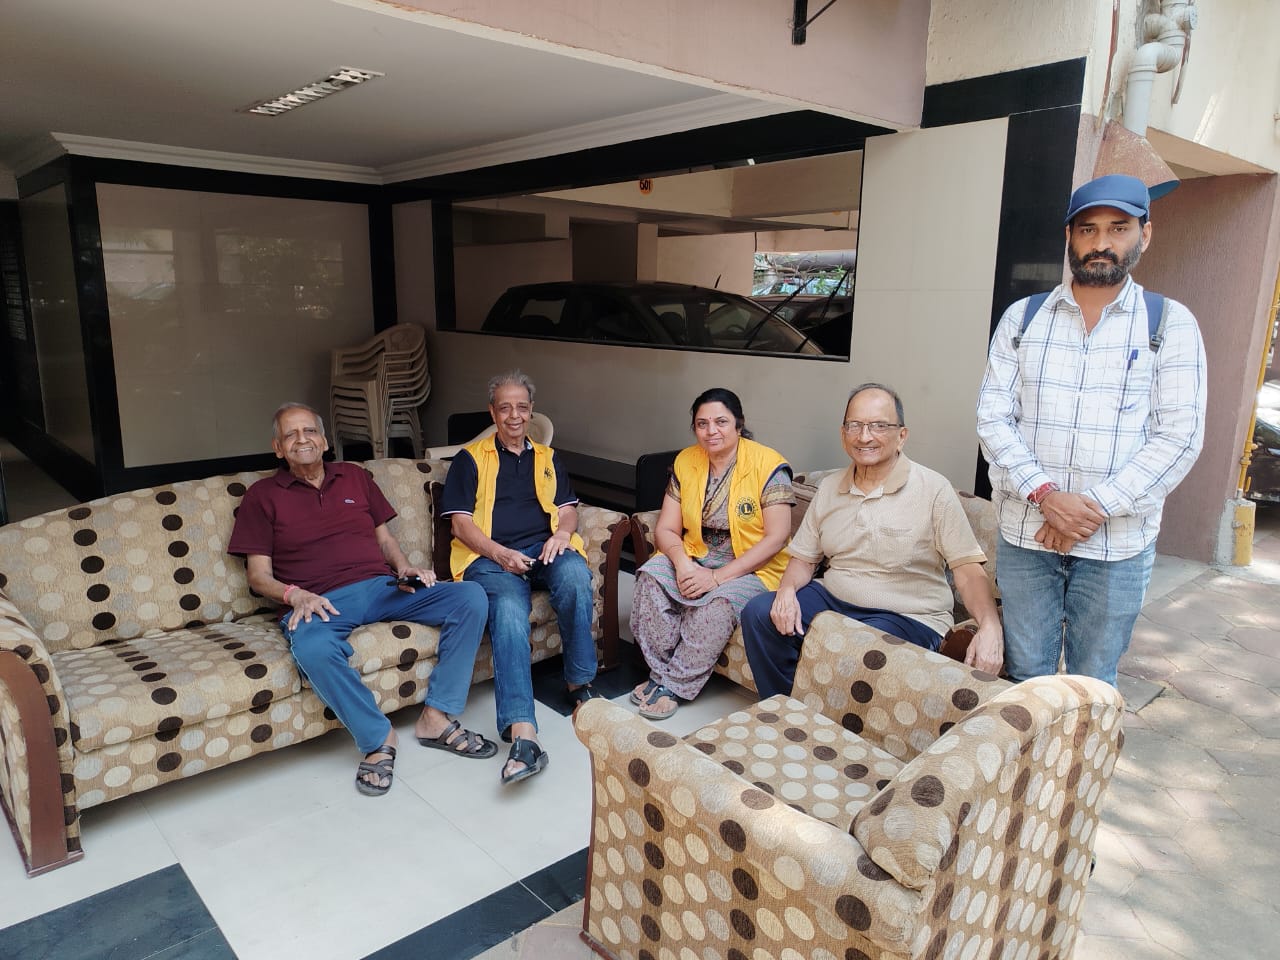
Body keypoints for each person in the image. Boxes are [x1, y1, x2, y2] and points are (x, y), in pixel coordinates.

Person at [976, 173, 1206, 684]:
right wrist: (1046, 497)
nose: (1101, 242)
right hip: (1027, 536)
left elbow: (1179, 437)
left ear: (1145, 234)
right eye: (1088, 229)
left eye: (1118, 228)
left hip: (1116, 545)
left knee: (1093, 681)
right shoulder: (1023, 319)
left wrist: (1089, 509)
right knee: (1025, 678)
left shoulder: (1169, 324)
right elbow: (993, 418)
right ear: (1069, 236)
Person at [228, 403, 494, 798]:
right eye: (290, 434)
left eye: (309, 431)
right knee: (312, 647)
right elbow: (257, 575)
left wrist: (405, 568)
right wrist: (294, 594)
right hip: (320, 601)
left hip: (383, 587)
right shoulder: (262, 496)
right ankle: (378, 739)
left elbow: (385, 540)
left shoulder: (354, 476)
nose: (302, 439)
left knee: (469, 596)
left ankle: (436, 717)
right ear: (278, 448)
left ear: (324, 441)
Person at [741, 383, 1003, 698]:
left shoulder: (933, 489)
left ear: (901, 436)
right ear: (843, 434)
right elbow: (804, 560)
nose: (864, 436)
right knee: (759, 613)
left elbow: (968, 571)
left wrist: (989, 625)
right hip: (835, 599)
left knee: (860, 646)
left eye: (879, 426)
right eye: (855, 425)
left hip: (907, 615)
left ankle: (826, 717)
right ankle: (785, 706)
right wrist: (785, 591)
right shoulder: (829, 487)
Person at [441, 370, 599, 785]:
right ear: (492, 412)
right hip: (489, 556)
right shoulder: (469, 459)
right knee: (510, 609)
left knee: (575, 576)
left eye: (522, 408)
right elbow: (460, 525)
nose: (514, 416)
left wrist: (562, 535)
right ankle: (523, 732)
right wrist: (500, 553)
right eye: (505, 407)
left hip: (542, 548)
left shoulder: (548, 457)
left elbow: (567, 509)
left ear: (531, 412)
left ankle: (580, 683)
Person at [629, 388, 794, 720]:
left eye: (721, 422)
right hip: (697, 554)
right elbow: (666, 528)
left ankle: (675, 684)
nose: (711, 431)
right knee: (650, 577)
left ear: (739, 424)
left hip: (753, 566)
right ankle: (661, 672)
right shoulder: (686, 461)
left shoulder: (769, 464)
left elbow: (777, 537)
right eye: (702, 424)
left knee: (718, 603)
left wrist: (716, 578)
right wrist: (682, 565)